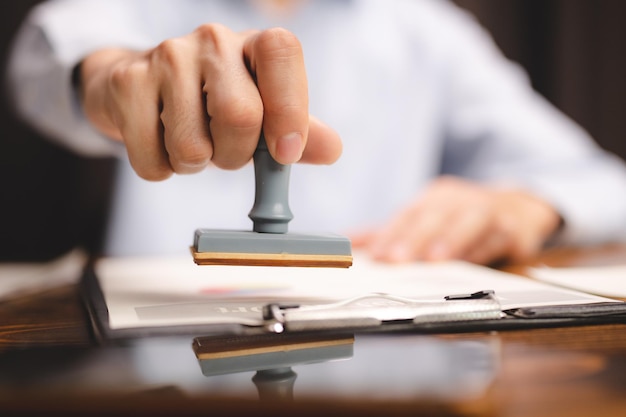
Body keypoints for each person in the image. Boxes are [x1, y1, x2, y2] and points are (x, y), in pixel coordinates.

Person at [6, 0, 626, 265]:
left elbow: (604, 182)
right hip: (143, 369)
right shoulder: (127, 7)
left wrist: (528, 203)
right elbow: (40, 66)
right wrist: (115, 79)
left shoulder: (424, 30)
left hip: (377, 363)